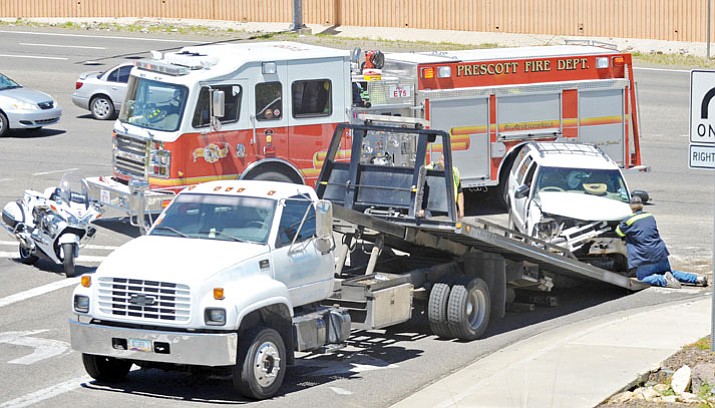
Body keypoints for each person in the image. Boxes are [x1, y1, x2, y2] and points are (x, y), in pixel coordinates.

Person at [616, 196, 708, 288]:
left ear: (631, 207)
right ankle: (697, 279)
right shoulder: (649, 216)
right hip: (660, 253)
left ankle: (663, 280)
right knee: (670, 273)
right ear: (642, 205)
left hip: (644, 257)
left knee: (643, 278)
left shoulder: (628, 221)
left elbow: (619, 232)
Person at [417, 154, 464, 220]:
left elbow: (459, 192)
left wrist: (461, 210)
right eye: (443, 160)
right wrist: (419, 208)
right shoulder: (429, 170)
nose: (445, 163)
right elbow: (419, 191)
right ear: (439, 160)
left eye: (448, 161)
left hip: (449, 211)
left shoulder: (454, 172)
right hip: (430, 210)